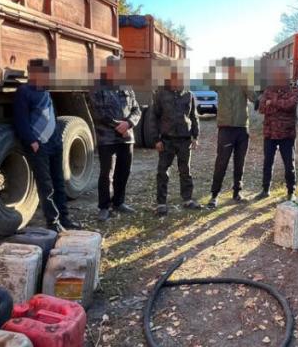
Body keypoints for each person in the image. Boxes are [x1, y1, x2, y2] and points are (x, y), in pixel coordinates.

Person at [13, 59, 81, 231]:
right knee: (46, 185)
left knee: (59, 182)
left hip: (54, 143)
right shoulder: (24, 92)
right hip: (38, 145)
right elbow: (20, 119)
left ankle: (64, 218)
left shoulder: (45, 91)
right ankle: (53, 222)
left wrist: (58, 137)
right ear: (34, 73)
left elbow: (51, 115)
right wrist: (32, 141)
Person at [88, 56, 141, 221]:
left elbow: (136, 109)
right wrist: (120, 127)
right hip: (107, 138)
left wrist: (129, 123)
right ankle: (104, 207)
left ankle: (119, 202)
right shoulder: (97, 87)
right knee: (106, 174)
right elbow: (99, 113)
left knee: (124, 171)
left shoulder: (126, 86)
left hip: (127, 138)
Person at [207, 58, 258, 208]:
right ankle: (214, 195)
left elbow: (254, 98)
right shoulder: (220, 84)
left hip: (242, 128)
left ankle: (237, 193)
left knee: (239, 163)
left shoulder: (244, 83)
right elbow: (210, 82)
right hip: (226, 129)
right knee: (221, 162)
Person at [152, 63, 201, 216]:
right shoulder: (160, 94)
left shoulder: (189, 95)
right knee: (162, 172)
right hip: (166, 140)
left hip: (184, 139)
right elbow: (154, 118)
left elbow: (194, 117)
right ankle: (161, 203)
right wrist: (156, 139)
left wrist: (195, 136)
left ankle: (187, 199)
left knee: (185, 170)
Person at [255, 59, 298, 201]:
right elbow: (262, 108)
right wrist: (272, 103)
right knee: (267, 163)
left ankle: (291, 191)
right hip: (270, 133)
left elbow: (290, 105)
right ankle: (265, 190)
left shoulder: (293, 89)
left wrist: (272, 102)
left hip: (286, 134)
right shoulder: (269, 89)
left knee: (289, 164)